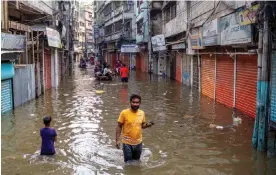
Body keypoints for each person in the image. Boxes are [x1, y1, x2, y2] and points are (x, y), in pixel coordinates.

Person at [116, 94, 154, 163]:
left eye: (137, 103)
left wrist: (148, 125)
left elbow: (142, 126)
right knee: (128, 163)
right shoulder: (124, 113)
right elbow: (119, 126)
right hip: (127, 143)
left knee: (136, 161)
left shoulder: (142, 113)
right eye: (133, 102)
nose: (135, 104)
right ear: (130, 102)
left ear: (140, 103)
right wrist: (117, 140)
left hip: (138, 143)